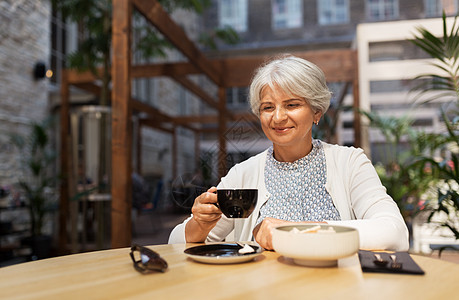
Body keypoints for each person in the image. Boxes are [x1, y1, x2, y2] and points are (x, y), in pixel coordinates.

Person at [168, 54, 409, 251]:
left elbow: (394, 232)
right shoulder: (243, 173)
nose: (278, 117)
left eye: (292, 104)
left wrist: (297, 231)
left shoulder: (350, 163)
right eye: (267, 107)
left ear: (316, 112)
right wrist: (199, 224)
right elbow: (175, 243)